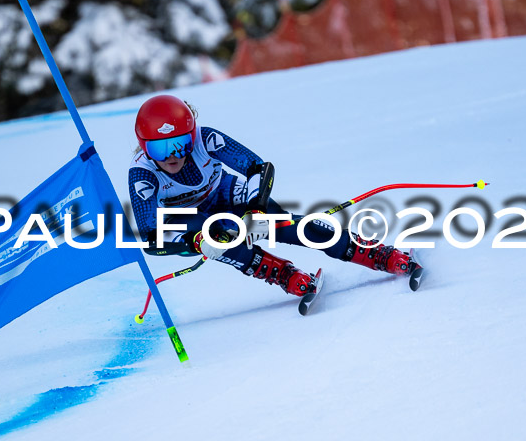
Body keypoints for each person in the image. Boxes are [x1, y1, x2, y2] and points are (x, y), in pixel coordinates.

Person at [128, 95, 420, 297]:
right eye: (161, 150)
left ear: (192, 134)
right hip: (192, 219)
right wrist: (194, 244)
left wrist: (255, 210)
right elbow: (151, 238)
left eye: (181, 145)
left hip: (227, 194)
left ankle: (373, 252)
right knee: (220, 241)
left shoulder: (206, 139)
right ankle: (280, 273)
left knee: (291, 227)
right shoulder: (142, 174)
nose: (174, 157)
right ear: (145, 148)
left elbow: (258, 167)